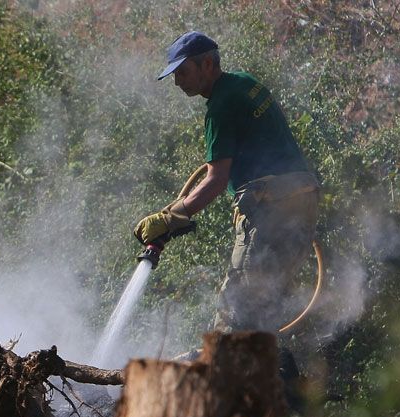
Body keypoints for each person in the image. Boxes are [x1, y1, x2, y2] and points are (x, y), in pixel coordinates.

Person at [133, 31, 320, 336]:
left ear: (208, 64)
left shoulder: (220, 105)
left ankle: (223, 376)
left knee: (235, 312)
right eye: (174, 75)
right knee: (263, 311)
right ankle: (269, 378)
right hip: (304, 196)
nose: (178, 82)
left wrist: (169, 218)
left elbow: (216, 180)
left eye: (183, 72)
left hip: (269, 205)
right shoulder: (245, 82)